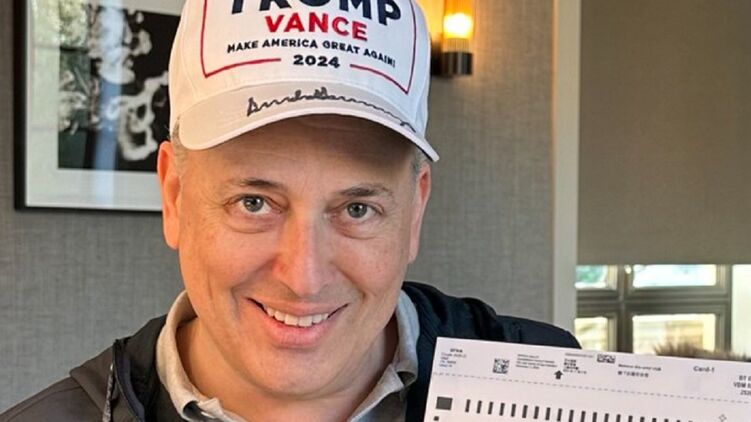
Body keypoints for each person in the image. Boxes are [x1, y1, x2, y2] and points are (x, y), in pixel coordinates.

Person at [1, 0, 579, 421]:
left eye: (357, 208)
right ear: (174, 196)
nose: (304, 278)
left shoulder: (562, 393)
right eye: (254, 203)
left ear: (415, 209)